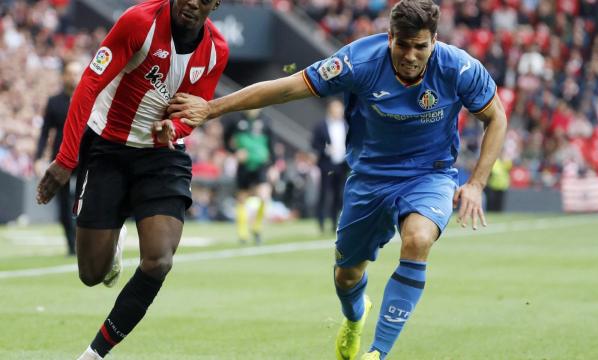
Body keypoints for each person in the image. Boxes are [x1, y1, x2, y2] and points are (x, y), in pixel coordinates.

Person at [166, 0, 507, 358]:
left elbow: (495, 117)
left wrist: (476, 183)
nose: (410, 55)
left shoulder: (460, 68)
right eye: (402, 44)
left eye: (420, 46)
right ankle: (356, 316)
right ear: (389, 37)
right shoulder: (357, 62)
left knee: (418, 239)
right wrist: (212, 108)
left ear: (434, 41)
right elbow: (286, 87)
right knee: (346, 276)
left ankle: (378, 352)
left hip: (429, 174)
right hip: (370, 178)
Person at [35, 0, 228, 358]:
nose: (193, 4)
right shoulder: (139, 22)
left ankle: (94, 354)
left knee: (159, 260)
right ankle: (115, 236)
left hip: (161, 155)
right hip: (106, 147)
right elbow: (90, 84)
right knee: (91, 274)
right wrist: (65, 158)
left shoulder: (216, 50)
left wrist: (177, 125)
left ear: (215, 4)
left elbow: (195, 110)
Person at [34, 60, 83, 256]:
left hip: (85, 158)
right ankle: (71, 245)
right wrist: (39, 157)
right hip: (62, 159)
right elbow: (45, 131)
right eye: (70, 73)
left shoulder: (88, 98)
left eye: (77, 73)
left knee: (84, 200)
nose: (73, 77)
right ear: (63, 76)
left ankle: (84, 242)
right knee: (62, 203)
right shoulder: (54, 102)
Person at [228, 109, 273, 244]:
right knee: (242, 197)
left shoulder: (266, 120)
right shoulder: (236, 120)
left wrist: (273, 165)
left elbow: (272, 143)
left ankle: (257, 228)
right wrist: (235, 151)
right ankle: (242, 234)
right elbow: (226, 139)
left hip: (261, 164)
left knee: (264, 196)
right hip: (244, 166)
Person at [312, 98, 349, 233]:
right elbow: (314, 144)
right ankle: (321, 223)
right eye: (335, 108)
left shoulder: (346, 125)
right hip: (326, 165)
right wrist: (327, 149)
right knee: (324, 194)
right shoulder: (320, 125)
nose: (338, 111)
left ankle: (335, 223)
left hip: (342, 164)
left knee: (339, 194)